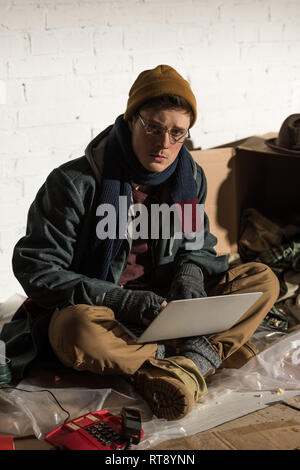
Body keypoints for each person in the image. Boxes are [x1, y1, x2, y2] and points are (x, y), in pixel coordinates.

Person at [0, 65, 279, 421]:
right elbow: (37, 267)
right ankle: (189, 360)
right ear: (131, 119)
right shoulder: (74, 182)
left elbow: (197, 246)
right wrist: (120, 298)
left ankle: (177, 363)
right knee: (73, 330)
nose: (165, 143)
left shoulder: (189, 178)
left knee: (261, 280)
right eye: (154, 127)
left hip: (167, 309)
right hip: (102, 312)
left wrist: (190, 277)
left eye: (178, 133)